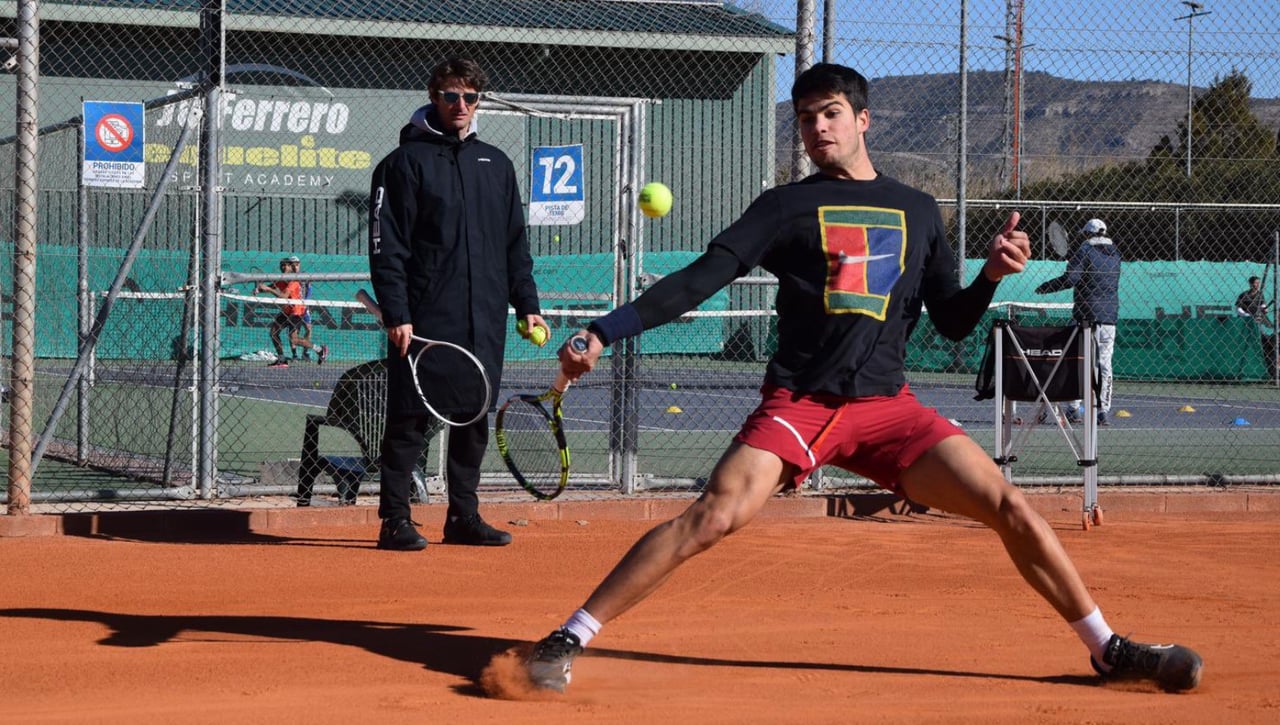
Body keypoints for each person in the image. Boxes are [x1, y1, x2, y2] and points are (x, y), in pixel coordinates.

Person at [524, 63, 1201, 694]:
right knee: (714, 516)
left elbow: (955, 320)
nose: (818, 129)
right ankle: (565, 637)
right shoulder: (784, 206)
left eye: (831, 114)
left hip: (889, 410)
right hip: (800, 402)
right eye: (806, 119)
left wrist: (990, 275)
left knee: (1010, 505)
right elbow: (703, 278)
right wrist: (604, 330)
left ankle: (1106, 647)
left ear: (863, 120)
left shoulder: (918, 209)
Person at [368, 57, 546, 551]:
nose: (461, 106)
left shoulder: (497, 163)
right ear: (433, 96)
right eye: (451, 95)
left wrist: (526, 304)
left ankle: (463, 516)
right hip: (425, 317)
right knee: (409, 418)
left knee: (474, 416)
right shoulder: (402, 164)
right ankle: (395, 520)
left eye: (470, 97)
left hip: (483, 316)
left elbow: (515, 244)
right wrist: (398, 312)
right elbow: (388, 246)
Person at [1033, 218, 1121, 426]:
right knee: (1104, 365)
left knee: (1077, 361)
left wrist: (1047, 286)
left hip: (1085, 317)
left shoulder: (1084, 250)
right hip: (1109, 318)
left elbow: (1072, 278)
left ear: (1086, 234)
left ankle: (1074, 409)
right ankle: (1103, 412)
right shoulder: (1116, 254)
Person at [257, 255, 328, 368]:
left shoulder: (294, 281)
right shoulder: (282, 279)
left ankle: (319, 350)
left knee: (293, 339)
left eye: (286, 265)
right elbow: (273, 285)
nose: (284, 267)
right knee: (273, 333)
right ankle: (282, 360)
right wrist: (259, 289)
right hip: (286, 311)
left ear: (291, 267)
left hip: (296, 312)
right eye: (282, 265)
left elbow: (283, 295)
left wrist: (268, 289)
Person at [1236, 275, 1277, 377]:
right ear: (1250, 283)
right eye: (1255, 283)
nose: (1257, 285)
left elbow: (1263, 306)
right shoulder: (1244, 295)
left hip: (1257, 322)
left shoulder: (1260, 295)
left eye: (1259, 283)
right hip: (1245, 322)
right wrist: (1247, 315)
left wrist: (1264, 309)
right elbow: (1238, 308)